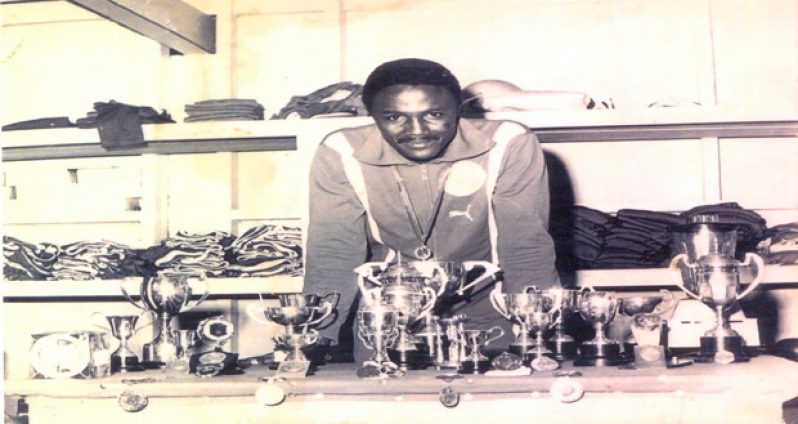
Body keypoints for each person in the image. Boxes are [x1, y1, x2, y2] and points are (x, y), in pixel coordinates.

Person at [303, 58, 561, 361]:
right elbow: (334, 249)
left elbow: (525, 246)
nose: (417, 131)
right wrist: (314, 337)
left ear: (459, 109)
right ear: (372, 116)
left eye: (435, 114)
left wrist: (535, 332)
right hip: (389, 317)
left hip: (487, 312)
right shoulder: (341, 151)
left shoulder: (508, 142)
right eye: (394, 117)